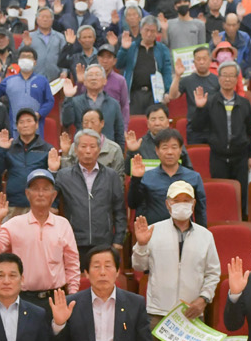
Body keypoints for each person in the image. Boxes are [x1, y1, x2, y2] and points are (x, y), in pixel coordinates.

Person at [130, 182, 220, 319]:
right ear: (167, 204)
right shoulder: (153, 231)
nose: (181, 204)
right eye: (176, 201)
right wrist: (141, 245)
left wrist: (204, 298)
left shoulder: (205, 236)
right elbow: (138, 266)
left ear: (193, 204)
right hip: (158, 312)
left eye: (186, 200)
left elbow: (213, 273)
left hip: (192, 312)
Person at [0, 170, 80, 301]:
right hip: (23, 298)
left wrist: (72, 294)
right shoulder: (14, 224)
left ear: (53, 195)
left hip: (55, 297)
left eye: (45, 189)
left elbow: (72, 263)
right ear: (27, 194)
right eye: (35, 189)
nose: (40, 194)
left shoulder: (63, 224)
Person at [52, 127, 125, 264]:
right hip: (74, 241)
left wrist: (118, 240)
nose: (88, 151)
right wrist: (52, 172)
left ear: (99, 149)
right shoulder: (64, 176)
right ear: (75, 149)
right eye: (83, 146)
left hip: (104, 242)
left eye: (92, 146)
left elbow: (119, 210)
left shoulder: (111, 176)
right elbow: (51, 204)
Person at [186, 64, 251, 200]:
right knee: (221, 196)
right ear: (219, 78)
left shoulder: (244, 103)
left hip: (240, 157)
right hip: (218, 157)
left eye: (231, 76)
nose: (227, 79)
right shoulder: (210, 102)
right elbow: (196, 127)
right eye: (224, 75)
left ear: (236, 79)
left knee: (240, 197)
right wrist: (200, 108)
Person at [129, 128, 207, 226]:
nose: (169, 152)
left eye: (174, 147)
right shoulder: (147, 177)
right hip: (154, 231)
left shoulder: (193, 177)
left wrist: (202, 232)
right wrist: (136, 179)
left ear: (180, 150)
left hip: (184, 232)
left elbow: (200, 211)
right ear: (157, 151)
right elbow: (133, 204)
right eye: (165, 147)